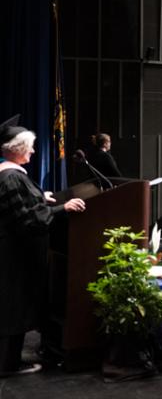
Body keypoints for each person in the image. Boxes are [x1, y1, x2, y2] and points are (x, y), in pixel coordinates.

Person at [0, 118, 86, 377]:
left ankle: (10, 361)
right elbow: (30, 220)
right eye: (30, 147)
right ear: (17, 149)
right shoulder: (11, 178)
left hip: (13, 253)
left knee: (12, 307)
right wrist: (63, 208)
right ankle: (7, 364)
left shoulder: (10, 175)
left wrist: (42, 196)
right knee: (12, 308)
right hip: (15, 256)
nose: (34, 152)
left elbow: (25, 204)